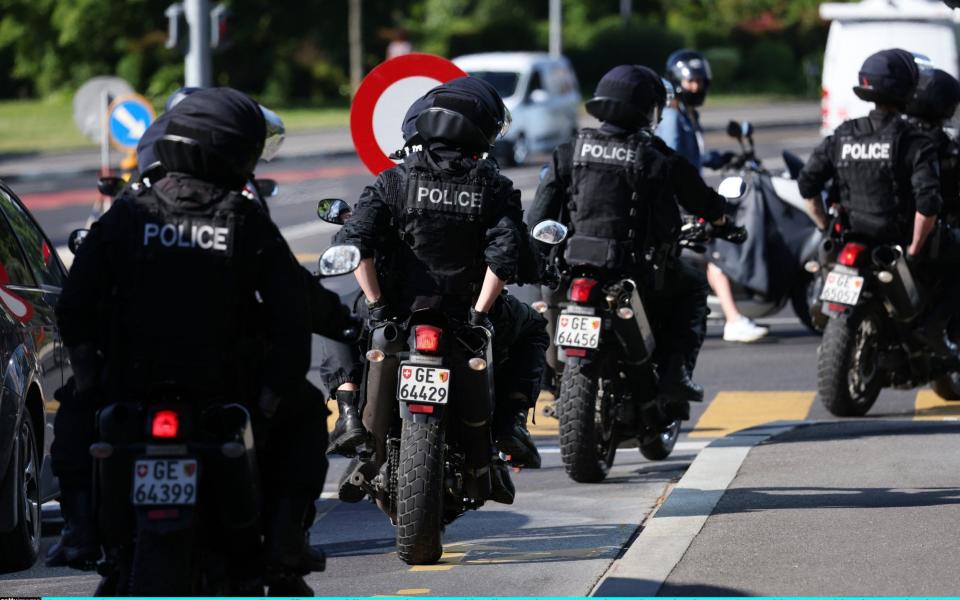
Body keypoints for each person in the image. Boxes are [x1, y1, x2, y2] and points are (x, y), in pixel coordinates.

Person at [54, 87, 322, 595]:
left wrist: (90, 373)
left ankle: (78, 527)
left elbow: (76, 302)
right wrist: (270, 397)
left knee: (74, 411)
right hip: (227, 389)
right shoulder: (243, 219)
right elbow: (292, 314)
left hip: (128, 386)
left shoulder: (131, 214)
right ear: (237, 149)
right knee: (306, 412)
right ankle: (286, 540)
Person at [326, 92, 547, 472]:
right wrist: (479, 314)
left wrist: (377, 306)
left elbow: (354, 242)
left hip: (396, 309)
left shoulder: (394, 180)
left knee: (336, 318)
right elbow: (506, 254)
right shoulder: (492, 187)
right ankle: (510, 423)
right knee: (534, 328)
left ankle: (347, 411)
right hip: (466, 315)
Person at [528, 64, 745, 423]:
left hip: (570, 267)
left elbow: (539, 217)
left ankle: (551, 378)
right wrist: (722, 222)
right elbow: (691, 206)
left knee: (540, 306)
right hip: (634, 271)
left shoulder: (569, 150)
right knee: (692, 288)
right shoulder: (655, 156)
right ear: (650, 109)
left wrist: (537, 256)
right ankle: (677, 376)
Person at [657, 49, 768, 343]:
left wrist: (720, 158)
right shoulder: (671, 117)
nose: (696, 87)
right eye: (690, 81)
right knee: (715, 252)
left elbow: (692, 156)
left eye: (700, 81)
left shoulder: (687, 115)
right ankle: (732, 319)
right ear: (676, 80)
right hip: (681, 199)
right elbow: (671, 160)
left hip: (686, 194)